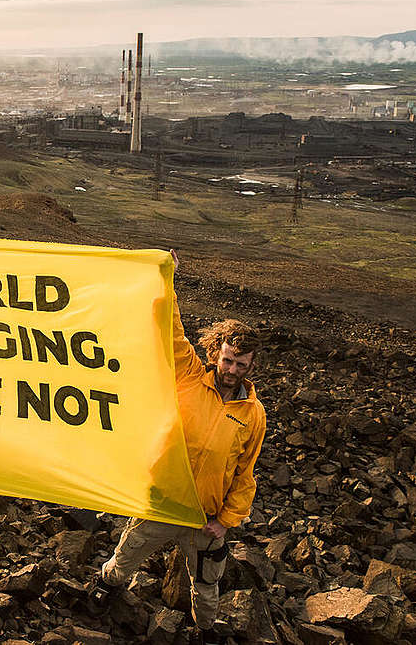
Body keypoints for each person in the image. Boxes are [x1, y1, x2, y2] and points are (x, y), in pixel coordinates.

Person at [91, 251, 266, 645]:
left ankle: (204, 631)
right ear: (215, 354)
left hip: (206, 517)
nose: (232, 370)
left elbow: (245, 472)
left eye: (241, 365)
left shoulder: (253, 414)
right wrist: (165, 278)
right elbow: (169, 329)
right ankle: (105, 585)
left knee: (206, 587)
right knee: (126, 555)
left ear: (252, 366)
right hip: (163, 501)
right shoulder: (188, 375)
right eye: (228, 360)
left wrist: (226, 520)